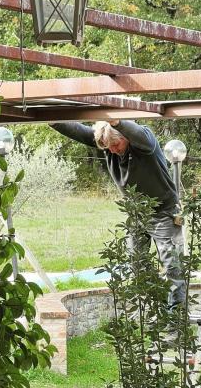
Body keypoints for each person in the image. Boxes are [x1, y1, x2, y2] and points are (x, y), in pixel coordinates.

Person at [51, 120, 185, 310]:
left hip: (163, 211)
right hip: (137, 213)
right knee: (136, 261)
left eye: (115, 145)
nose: (112, 150)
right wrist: (55, 122)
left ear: (126, 137)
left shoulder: (144, 143)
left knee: (171, 264)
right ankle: (158, 306)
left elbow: (137, 131)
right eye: (108, 146)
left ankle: (176, 316)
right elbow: (81, 132)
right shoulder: (108, 144)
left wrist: (117, 121)